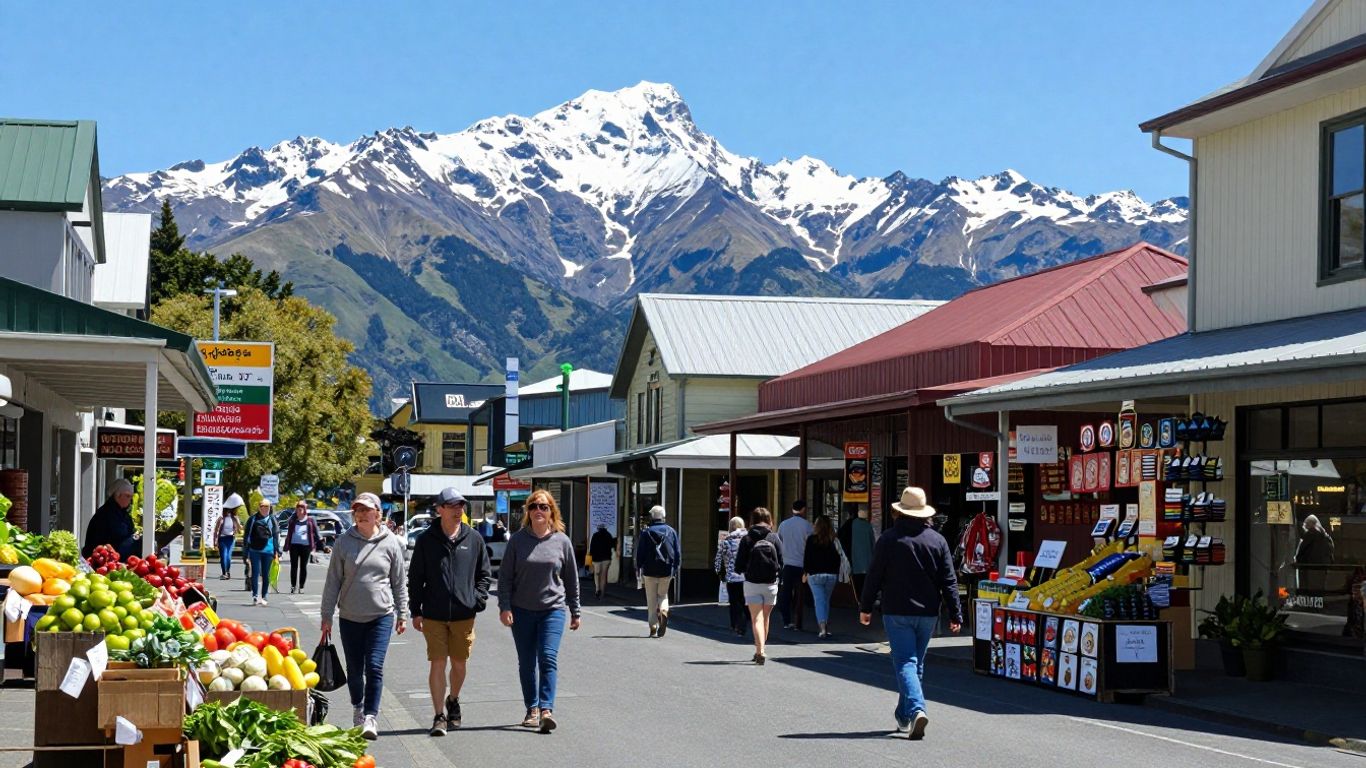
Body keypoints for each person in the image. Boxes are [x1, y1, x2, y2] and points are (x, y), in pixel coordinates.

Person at [860, 487, 961, 741]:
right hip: (928, 611)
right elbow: (949, 580)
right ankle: (904, 716)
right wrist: (956, 614)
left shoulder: (888, 538)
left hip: (896, 609)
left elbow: (874, 575)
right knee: (916, 662)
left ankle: (916, 709)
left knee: (906, 661)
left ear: (900, 512)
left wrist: (865, 606)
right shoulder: (937, 540)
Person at [321, 492, 408, 741]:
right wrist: (326, 616)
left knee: (375, 667)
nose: (360, 514)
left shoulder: (391, 542)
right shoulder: (343, 542)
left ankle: (371, 716)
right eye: (357, 510)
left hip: (381, 616)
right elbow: (332, 582)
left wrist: (403, 613)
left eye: (366, 510)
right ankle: (358, 706)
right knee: (355, 670)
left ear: (377, 513)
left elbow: (399, 582)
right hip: (349, 617)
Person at [408, 488, 491, 737]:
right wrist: (416, 610)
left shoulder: (473, 539)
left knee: (459, 664)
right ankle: (438, 716)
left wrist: (477, 599)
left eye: (461, 506)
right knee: (437, 662)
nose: (458, 510)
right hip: (433, 614)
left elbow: (484, 574)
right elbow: (415, 578)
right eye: (452, 506)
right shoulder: (426, 539)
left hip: (464, 614)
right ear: (439, 509)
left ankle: (453, 699)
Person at [498, 488, 581, 734]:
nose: (538, 510)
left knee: (547, 657)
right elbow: (504, 578)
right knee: (526, 663)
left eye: (543, 506)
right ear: (528, 511)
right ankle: (531, 708)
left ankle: (546, 709)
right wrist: (505, 607)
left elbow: (571, 579)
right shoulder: (518, 540)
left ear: (551, 511)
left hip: (552, 610)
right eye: (533, 506)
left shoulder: (561, 541)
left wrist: (575, 611)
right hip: (522, 610)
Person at [733, 507, 783, 664]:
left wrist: (746, 570)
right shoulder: (774, 538)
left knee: (756, 619)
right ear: (769, 520)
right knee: (766, 619)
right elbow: (781, 562)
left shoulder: (747, 539)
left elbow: (738, 565)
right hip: (770, 583)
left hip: (752, 583)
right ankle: (762, 649)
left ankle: (759, 651)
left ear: (752, 520)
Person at [634, 506, 680, 637]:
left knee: (651, 598)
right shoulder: (671, 531)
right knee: (663, 595)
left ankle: (653, 626)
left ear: (652, 517)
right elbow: (677, 552)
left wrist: (638, 567)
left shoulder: (646, 532)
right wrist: (675, 568)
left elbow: (640, 553)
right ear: (663, 516)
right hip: (666, 569)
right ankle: (664, 610)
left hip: (649, 570)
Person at [804, 516, 842, 639]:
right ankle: (825, 625)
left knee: (819, 601)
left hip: (815, 575)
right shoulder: (834, 540)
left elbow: (807, 558)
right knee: (826, 601)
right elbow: (838, 559)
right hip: (831, 574)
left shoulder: (811, 540)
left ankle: (822, 628)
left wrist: (806, 572)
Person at [777, 499, 813, 630]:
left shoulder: (783, 524)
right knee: (800, 594)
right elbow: (811, 545)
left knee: (786, 592)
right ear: (803, 509)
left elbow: (779, 540)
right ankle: (798, 621)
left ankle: (787, 620)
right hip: (801, 564)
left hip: (787, 563)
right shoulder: (807, 526)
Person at [83, 479, 138, 560]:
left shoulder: (121, 513)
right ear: (118, 495)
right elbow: (119, 536)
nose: (130, 500)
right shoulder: (106, 514)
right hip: (102, 560)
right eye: (127, 496)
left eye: (131, 496)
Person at [713, 516, 749, 637]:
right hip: (746, 577)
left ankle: (735, 624)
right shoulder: (749, 540)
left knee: (734, 602)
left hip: (731, 577)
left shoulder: (726, 541)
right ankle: (744, 624)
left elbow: (718, 560)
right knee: (745, 601)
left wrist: (719, 573)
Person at [243, 501, 279, 606]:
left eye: (267, 506)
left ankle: (264, 596)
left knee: (266, 575)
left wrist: (277, 551)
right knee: (255, 573)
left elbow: (276, 536)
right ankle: (255, 595)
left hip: (268, 551)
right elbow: (247, 535)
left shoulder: (272, 519)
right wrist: (245, 552)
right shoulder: (253, 519)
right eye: (262, 506)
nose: (265, 508)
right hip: (254, 550)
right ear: (259, 507)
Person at [839, 508, 877, 598]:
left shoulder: (851, 524)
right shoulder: (868, 526)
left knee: (856, 581)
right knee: (865, 582)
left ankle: (858, 599)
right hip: (867, 560)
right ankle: (863, 598)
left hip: (854, 558)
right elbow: (873, 543)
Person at [285, 501, 322, 594]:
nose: (299, 510)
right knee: (294, 567)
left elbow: (317, 533)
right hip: (294, 546)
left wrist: (320, 544)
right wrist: (286, 546)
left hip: (306, 547)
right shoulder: (293, 520)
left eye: (301, 508)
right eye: (298, 509)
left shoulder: (310, 520)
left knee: (303, 567)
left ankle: (301, 587)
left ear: (305, 510)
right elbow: (289, 533)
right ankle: (293, 586)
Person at [1295, 514, 1335, 595]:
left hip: (1310, 569)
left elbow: (1301, 552)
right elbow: (1331, 553)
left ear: (1309, 524)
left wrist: (1298, 562)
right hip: (1322, 569)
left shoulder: (1311, 534)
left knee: (1309, 592)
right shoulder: (1326, 537)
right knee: (1319, 591)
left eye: (1306, 525)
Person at [213, 493, 245, 580]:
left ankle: (227, 572)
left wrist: (244, 526)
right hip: (222, 538)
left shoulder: (235, 518)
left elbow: (239, 528)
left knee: (228, 556)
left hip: (230, 538)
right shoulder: (221, 518)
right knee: (224, 555)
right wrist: (215, 542)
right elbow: (216, 530)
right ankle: (224, 573)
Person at [588, 524, 616, 600]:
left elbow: (592, 548)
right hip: (606, 558)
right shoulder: (608, 535)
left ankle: (597, 589)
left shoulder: (595, 535)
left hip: (596, 559)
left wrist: (589, 562)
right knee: (604, 575)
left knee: (597, 574)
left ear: (598, 529)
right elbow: (612, 545)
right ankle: (602, 593)